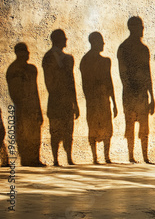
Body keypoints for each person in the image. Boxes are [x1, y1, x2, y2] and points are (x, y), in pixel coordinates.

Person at [117, 17, 155, 163]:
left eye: (142, 26)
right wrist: (130, 90)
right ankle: (131, 155)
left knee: (144, 126)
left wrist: (151, 95)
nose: (142, 29)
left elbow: (147, 72)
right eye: (140, 26)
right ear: (132, 28)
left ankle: (144, 156)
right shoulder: (124, 48)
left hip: (141, 93)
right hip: (132, 93)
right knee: (130, 125)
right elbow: (123, 73)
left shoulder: (143, 49)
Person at [42, 30, 80, 166]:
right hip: (56, 100)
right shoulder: (48, 57)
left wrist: (74, 102)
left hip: (65, 101)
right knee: (55, 130)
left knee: (69, 130)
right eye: (63, 38)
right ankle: (56, 159)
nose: (66, 40)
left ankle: (69, 157)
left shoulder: (68, 58)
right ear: (57, 40)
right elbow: (49, 81)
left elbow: (72, 82)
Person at [80, 32, 118, 164]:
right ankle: (97, 157)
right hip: (97, 99)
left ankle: (104, 156)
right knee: (95, 125)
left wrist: (113, 101)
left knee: (105, 126)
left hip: (100, 99)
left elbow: (109, 81)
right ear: (95, 42)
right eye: (101, 41)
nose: (103, 44)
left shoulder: (103, 61)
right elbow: (87, 83)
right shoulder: (87, 61)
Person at [6, 43, 44, 166]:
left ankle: (34, 159)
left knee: (35, 134)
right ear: (17, 53)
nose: (27, 54)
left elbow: (35, 90)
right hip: (22, 109)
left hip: (32, 107)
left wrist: (38, 110)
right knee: (24, 134)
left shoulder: (32, 69)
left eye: (27, 51)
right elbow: (15, 93)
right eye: (23, 51)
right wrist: (24, 106)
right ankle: (27, 159)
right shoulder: (13, 70)